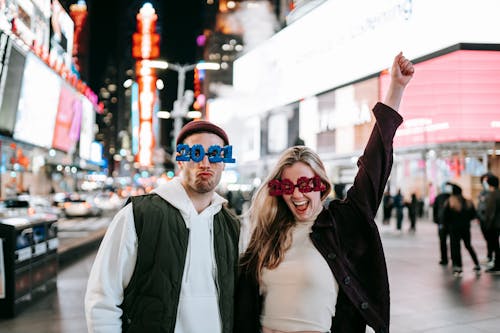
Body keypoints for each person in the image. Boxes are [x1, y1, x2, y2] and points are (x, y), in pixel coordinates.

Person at [234, 52, 414, 333]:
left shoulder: (342, 223)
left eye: (306, 185)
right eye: (287, 186)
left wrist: (396, 89)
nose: (297, 195)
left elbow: (374, 163)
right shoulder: (267, 233)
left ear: (322, 185)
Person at [85, 120, 240, 333]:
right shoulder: (138, 215)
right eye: (195, 153)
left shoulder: (231, 225)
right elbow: (102, 298)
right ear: (180, 160)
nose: (205, 163)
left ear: (224, 162)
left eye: (214, 155)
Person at [441, 183, 481, 277]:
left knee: (455, 247)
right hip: (465, 228)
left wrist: (445, 226)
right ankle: (477, 264)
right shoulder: (468, 202)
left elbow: (444, 217)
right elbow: (473, 215)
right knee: (468, 245)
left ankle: (458, 267)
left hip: (454, 229)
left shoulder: (450, 202)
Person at [477, 172, 494, 265]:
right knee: (488, 239)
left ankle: (492, 257)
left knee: (492, 240)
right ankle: (489, 256)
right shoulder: (482, 192)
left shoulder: (494, 194)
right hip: (483, 220)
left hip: (491, 221)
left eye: (486, 181)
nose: (485, 183)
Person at [484, 174, 500, 274]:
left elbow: (491, 213)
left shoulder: (492, 195)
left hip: (494, 225)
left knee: (495, 245)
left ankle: (497, 265)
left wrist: (487, 225)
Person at [432, 183, 451, 265]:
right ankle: (446, 258)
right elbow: (435, 209)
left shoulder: (441, 197)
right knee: (447, 241)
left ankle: (445, 259)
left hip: (444, 223)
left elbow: (434, 209)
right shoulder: (450, 196)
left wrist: (436, 220)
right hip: (445, 222)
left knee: (444, 241)